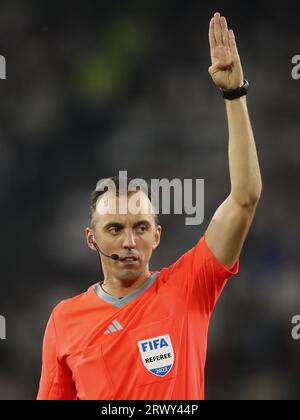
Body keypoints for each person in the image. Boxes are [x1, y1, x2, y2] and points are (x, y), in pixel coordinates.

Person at [37, 12, 262, 400]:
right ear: (91, 240)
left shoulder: (190, 286)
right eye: (115, 229)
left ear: (157, 236)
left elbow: (244, 198)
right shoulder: (64, 320)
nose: (129, 241)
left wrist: (234, 94)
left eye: (140, 228)